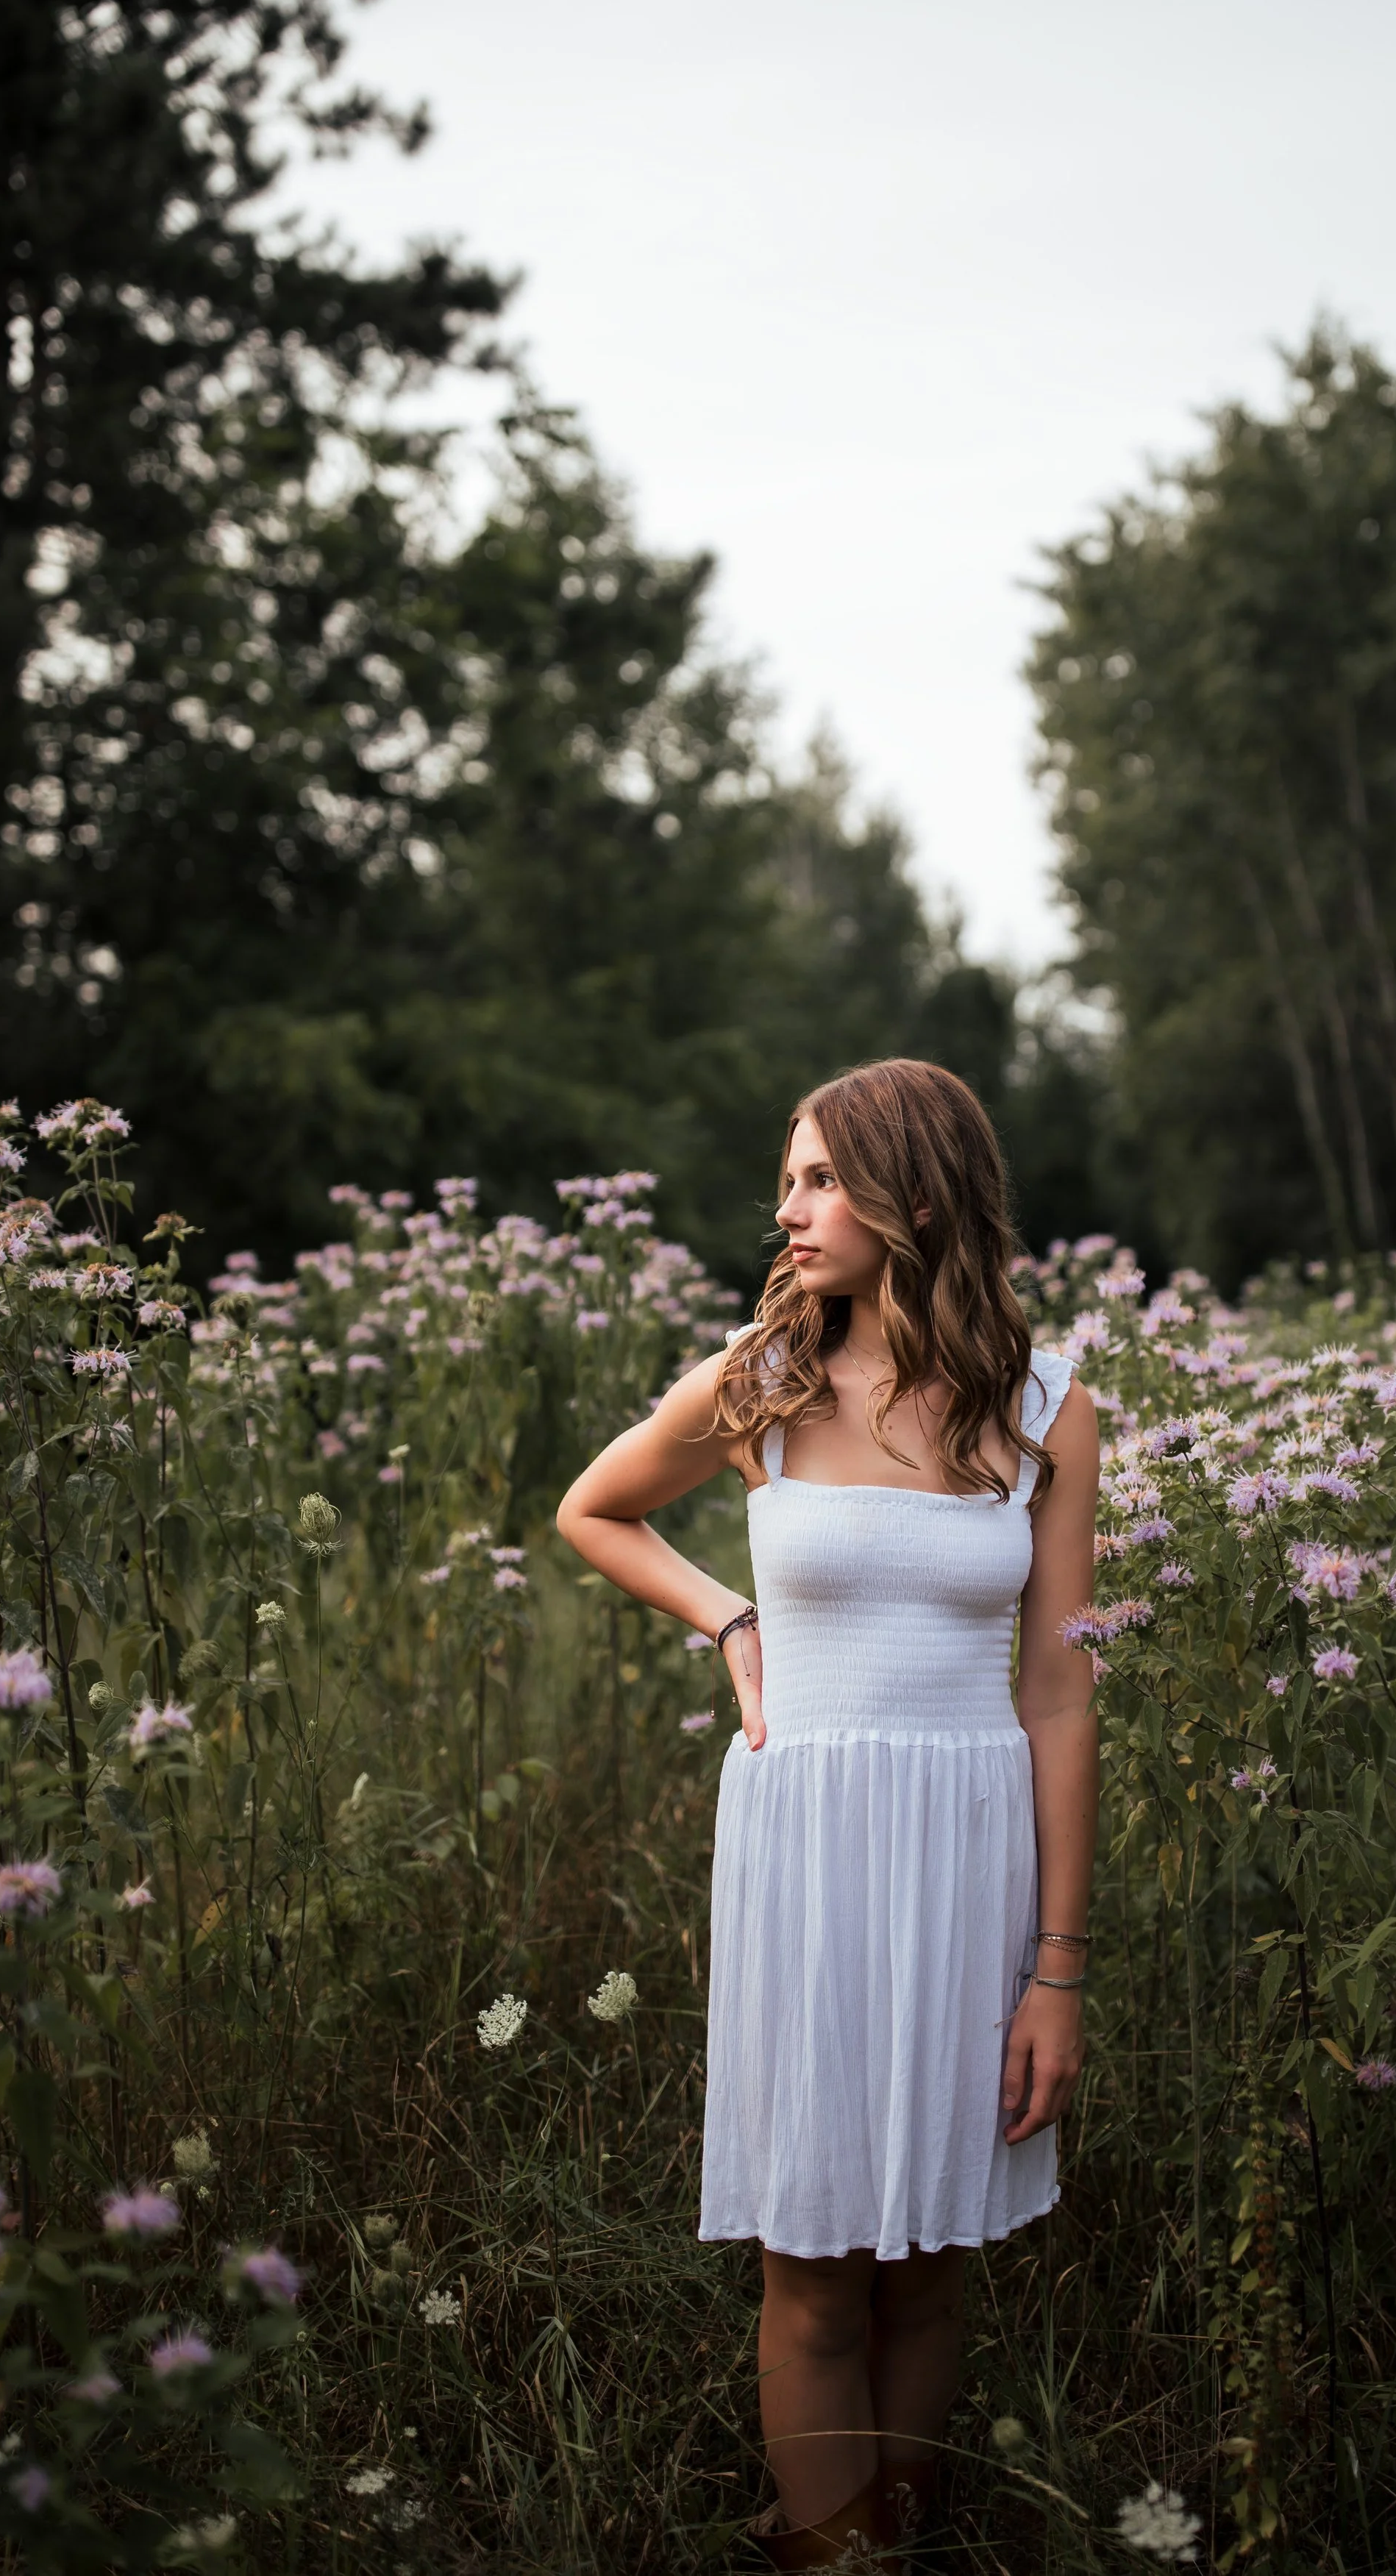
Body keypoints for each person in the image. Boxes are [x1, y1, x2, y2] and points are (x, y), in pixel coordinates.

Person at [556, 1059, 1098, 2566]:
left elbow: (1058, 1696)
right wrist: (731, 1624)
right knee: (811, 2271)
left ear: (913, 1194)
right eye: (783, 1180)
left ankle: (906, 2541)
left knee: (928, 2269)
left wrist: (1057, 1973)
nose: (784, 1210)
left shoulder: (1047, 1409)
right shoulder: (762, 1378)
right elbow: (594, 1508)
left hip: (968, 1861)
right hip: (802, 1857)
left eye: (816, 1179)